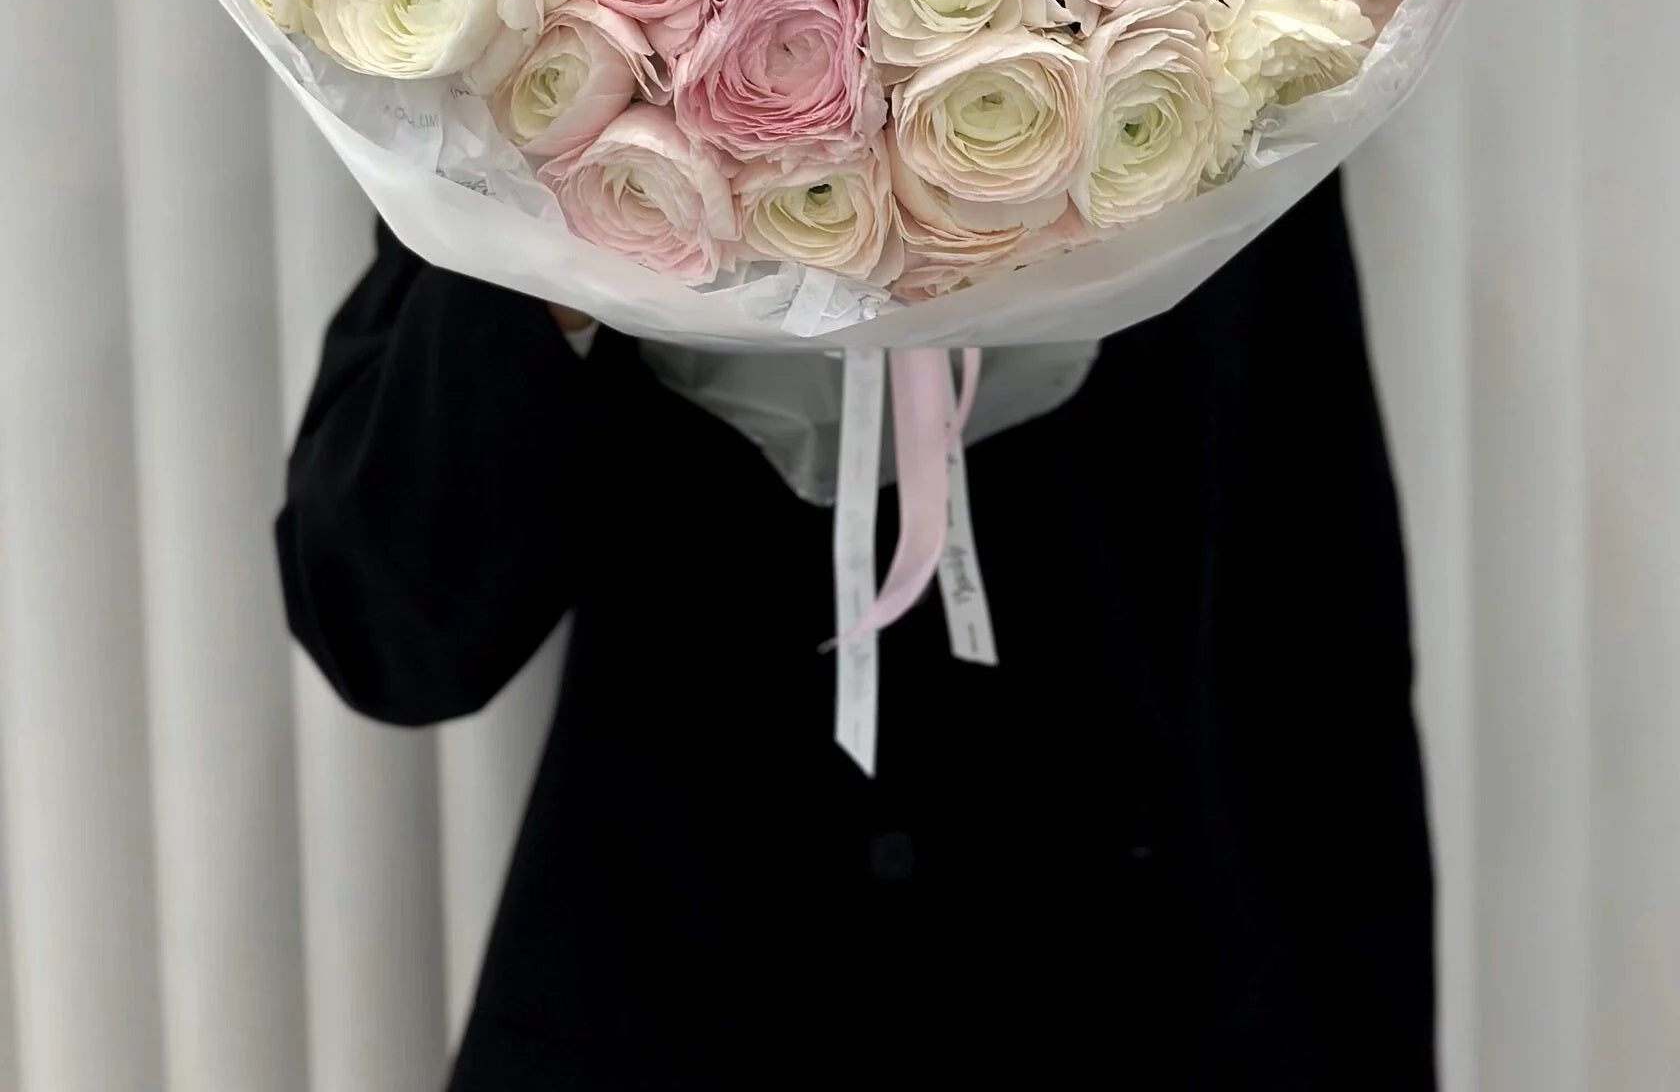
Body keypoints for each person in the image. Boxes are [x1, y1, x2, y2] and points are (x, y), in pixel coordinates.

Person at [277, 170, 1435, 1090]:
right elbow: (385, 625)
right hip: (676, 988)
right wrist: (563, 221)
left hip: (1129, 988)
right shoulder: (576, 31)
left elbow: (1318, 646)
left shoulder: (1198, 23)